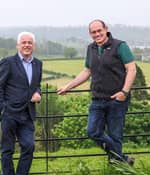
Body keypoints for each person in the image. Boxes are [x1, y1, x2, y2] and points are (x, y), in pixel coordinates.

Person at [57, 19, 136, 165]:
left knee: (115, 135)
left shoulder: (120, 46)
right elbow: (87, 71)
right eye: (93, 32)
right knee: (92, 131)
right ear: (90, 34)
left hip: (117, 100)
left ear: (106, 29)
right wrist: (69, 86)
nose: (97, 34)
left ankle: (118, 170)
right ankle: (123, 159)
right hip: (97, 99)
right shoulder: (91, 48)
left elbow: (131, 68)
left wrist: (124, 92)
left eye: (99, 30)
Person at [0, 31, 42, 175]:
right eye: (24, 42)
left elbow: (36, 85)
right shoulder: (8, 62)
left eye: (30, 43)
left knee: (29, 145)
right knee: (7, 149)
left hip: (27, 113)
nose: (27, 45)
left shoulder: (38, 64)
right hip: (9, 113)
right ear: (18, 45)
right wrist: (2, 109)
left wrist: (38, 93)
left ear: (33, 45)